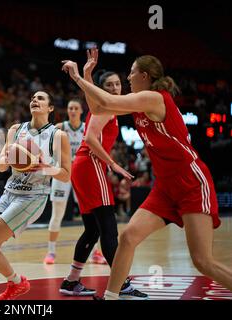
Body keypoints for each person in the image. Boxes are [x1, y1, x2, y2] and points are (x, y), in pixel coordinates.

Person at [62, 53, 232, 299]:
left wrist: (77, 76)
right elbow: (100, 108)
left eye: (132, 72)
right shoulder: (137, 101)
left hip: (191, 182)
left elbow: (107, 100)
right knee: (129, 236)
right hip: (164, 187)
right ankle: (110, 296)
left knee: (202, 261)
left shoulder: (154, 98)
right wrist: (87, 76)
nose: (128, 76)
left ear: (144, 76)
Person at [59, 49, 147, 299]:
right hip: (91, 164)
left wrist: (86, 72)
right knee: (109, 227)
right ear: (103, 89)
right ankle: (123, 284)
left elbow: (90, 96)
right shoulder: (107, 108)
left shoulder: (102, 105)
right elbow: (89, 137)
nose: (116, 88)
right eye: (109, 85)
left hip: (84, 166)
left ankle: (71, 281)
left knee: (93, 230)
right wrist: (113, 164)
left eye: (118, 83)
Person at [0, 91, 71, 300]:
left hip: (33, 196)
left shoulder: (58, 135)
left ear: (51, 108)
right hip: (10, 192)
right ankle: (17, 283)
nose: (35, 100)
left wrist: (43, 166)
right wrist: (9, 158)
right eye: (33, 98)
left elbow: (65, 175)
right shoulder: (16, 130)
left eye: (41, 98)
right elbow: (1, 166)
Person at [44, 99, 88, 264]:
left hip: (81, 174)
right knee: (57, 215)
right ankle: (51, 252)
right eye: (70, 108)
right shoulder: (60, 128)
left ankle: (95, 252)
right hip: (62, 173)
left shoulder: (86, 128)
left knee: (90, 216)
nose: (73, 111)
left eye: (76, 108)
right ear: (67, 111)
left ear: (81, 111)